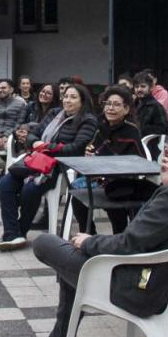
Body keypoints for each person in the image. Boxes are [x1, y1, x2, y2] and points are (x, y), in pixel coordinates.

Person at [15, 120, 168, 337]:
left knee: (45, 243)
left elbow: (129, 244)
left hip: (143, 289)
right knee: (74, 264)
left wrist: (89, 242)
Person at [0, 84, 98, 252]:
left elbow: (75, 148)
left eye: (73, 97)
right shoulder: (54, 114)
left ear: (83, 101)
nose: (67, 100)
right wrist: (36, 143)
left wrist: (45, 146)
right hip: (38, 160)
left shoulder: (87, 120)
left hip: (60, 167)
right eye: (65, 96)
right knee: (6, 182)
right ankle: (11, 233)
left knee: (31, 189)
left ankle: (20, 231)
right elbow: (32, 134)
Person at [70, 85, 146, 235]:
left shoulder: (131, 131)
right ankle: (88, 235)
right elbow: (95, 154)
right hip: (100, 180)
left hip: (122, 183)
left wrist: (105, 163)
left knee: (115, 206)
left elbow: (139, 162)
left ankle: (120, 238)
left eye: (117, 105)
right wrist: (90, 155)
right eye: (108, 104)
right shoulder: (101, 128)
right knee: (77, 196)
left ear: (126, 109)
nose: (111, 108)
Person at [131, 70, 168, 156]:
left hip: (148, 145)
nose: (139, 89)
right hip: (132, 141)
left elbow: (164, 128)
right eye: (137, 87)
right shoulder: (133, 104)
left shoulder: (155, 106)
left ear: (151, 88)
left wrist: (142, 128)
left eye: (143, 86)